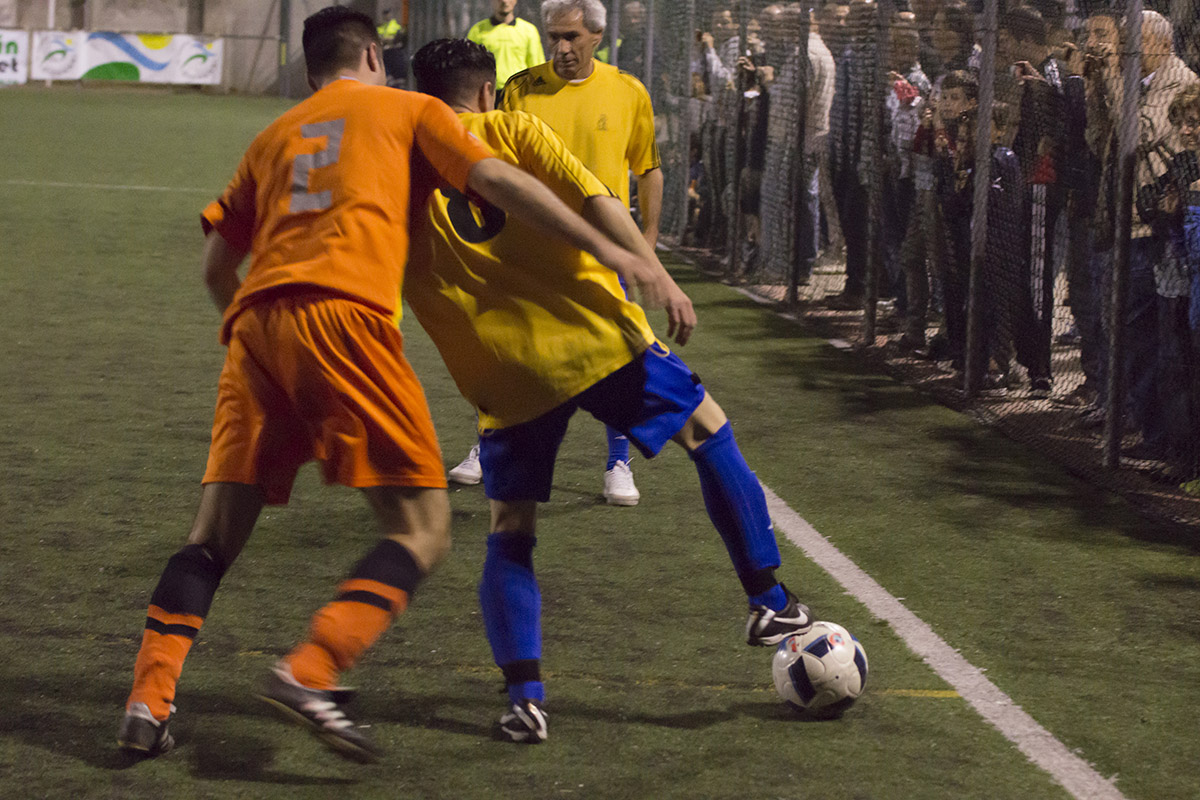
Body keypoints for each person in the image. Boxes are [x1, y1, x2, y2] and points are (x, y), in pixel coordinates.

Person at [114, 5, 667, 764]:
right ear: (374, 56)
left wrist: (266, 345)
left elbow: (216, 270)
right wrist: (615, 249)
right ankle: (311, 670)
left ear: (311, 67)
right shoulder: (409, 109)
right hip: (346, 320)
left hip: (256, 331)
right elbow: (496, 178)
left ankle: (147, 703)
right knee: (423, 530)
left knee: (209, 541)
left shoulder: (272, 137)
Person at [408, 36, 815, 744]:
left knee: (510, 529)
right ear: (485, 92)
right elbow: (599, 199)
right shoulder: (513, 128)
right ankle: (769, 600)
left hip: (499, 374)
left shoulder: (400, 168)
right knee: (707, 431)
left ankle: (526, 699)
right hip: (591, 338)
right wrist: (652, 269)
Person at [451, 0, 664, 507]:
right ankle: (489, 445)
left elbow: (648, 169)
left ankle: (618, 461)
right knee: (507, 351)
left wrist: (648, 241)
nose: (561, 47)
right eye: (554, 37)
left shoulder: (629, 91)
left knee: (617, 355)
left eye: (571, 37)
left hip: (605, 252)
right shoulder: (519, 89)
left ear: (598, 36)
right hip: (528, 246)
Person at [466, 0, 545, 103]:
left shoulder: (529, 31)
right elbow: (470, 68)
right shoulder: (477, 31)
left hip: (520, 93)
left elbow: (537, 67)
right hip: (489, 94)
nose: (504, 1)